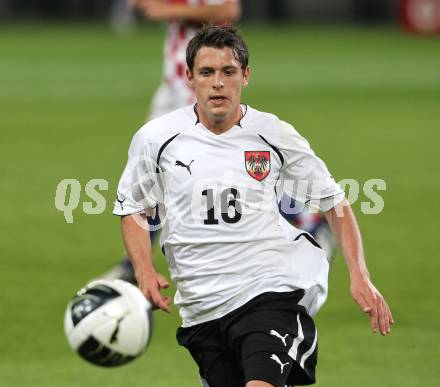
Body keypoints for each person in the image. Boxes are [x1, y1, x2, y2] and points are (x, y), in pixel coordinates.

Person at [113, 25, 394, 387]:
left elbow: (334, 202)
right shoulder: (156, 138)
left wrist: (360, 274)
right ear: (189, 77)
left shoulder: (272, 134)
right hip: (201, 306)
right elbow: (134, 207)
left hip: (269, 290)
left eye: (228, 72)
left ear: (245, 76)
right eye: (207, 72)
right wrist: (143, 269)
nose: (218, 83)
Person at [103, 0, 241, 282]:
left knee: (221, 169)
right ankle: (135, 265)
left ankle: (301, 218)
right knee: (150, 169)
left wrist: (170, 11)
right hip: (174, 85)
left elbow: (228, 11)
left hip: (202, 85)